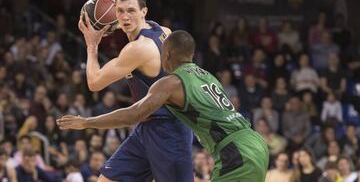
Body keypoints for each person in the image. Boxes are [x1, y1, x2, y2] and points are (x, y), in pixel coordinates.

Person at [57, 30, 269, 182]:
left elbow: (132, 115)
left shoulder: (170, 83)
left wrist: (86, 122)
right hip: (253, 142)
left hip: (236, 152)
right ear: (191, 55)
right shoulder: (207, 76)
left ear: (165, 55)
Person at [77, 0, 193, 182]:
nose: (125, 17)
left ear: (143, 12)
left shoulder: (138, 48)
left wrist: (92, 45)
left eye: (131, 10)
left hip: (168, 132)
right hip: (147, 127)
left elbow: (94, 83)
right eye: (120, 11)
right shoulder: (162, 30)